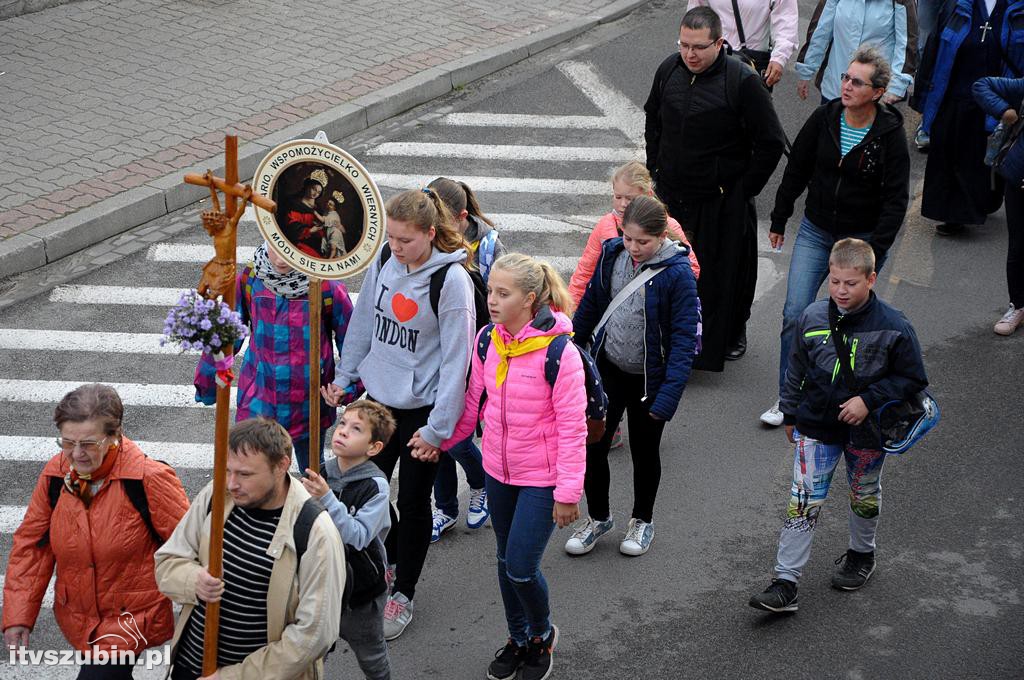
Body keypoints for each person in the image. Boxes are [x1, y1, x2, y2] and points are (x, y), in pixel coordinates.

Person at [322, 187, 476, 640]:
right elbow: (364, 325)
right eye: (391, 238)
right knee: (364, 488)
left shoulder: (451, 282)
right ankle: (388, 562)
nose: (396, 248)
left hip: (422, 413)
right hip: (377, 401)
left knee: (412, 501)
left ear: (431, 233)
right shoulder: (384, 263)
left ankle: (403, 592)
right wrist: (347, 379)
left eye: (405, 240)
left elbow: (456, 362)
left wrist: (438, 430)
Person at [428, 252, 587, 680]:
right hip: (499, 471)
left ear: (530, 299)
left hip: (543, 480)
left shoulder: (561, 354)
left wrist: (568, 493)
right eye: (490, 291)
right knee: (503, 562)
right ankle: (517, 640)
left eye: (503, 293)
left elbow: (574, 430)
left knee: (520, 566)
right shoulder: (488, 341)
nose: (492, 300)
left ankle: (541, 635)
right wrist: (439, 441)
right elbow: (471, 404)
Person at [749, 238, 928, 613]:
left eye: (850, 283)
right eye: (834, 281)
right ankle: (785, 583)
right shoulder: (812, 317)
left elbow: (913, 379)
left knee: (863, 493)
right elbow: (795, 368)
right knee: (802, 502)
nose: (840, 291)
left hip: (868, 433)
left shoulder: (895, 326)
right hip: (816, 425)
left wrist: (868, 400)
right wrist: (791, 412)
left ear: (872, 279)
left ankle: (861, 555)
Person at [760, 46, 911, 427]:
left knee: (849, 316)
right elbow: (797, 167)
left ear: (877, 92)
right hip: (816, 230)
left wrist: (874, 251)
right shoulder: (826, 117)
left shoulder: (890, 134)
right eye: (845, 78)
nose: (846, 86)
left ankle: (847, 392)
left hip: (862, 241)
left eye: (857, 82)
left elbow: (896, 199)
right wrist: (780, 216)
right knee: (795, 313)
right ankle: (787, 398)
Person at [3, 384, 189, 679]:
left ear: (114, 436)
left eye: (88, 443)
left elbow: (191, 547)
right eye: (67, 442)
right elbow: (33, 547)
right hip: (79, 616)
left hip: (131, 618)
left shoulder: (148, 479)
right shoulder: (56, 473)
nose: (76, 454)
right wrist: (18, 615)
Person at [644, 6, 785, 370]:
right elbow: (653, 119)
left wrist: (743, 189)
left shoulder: (742, 81)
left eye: (699, 47)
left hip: (720, 201)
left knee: (721, 275)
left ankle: (722, 338)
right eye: (684, 45)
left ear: (719, 43)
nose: (690, 54)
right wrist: (654, 169)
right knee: (671, 274)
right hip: (673, 197)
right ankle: (671, 344)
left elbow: (769, 142)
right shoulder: (667, 70)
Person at [155, 418, 345, 680]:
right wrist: (193, 580)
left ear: (281, 466)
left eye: (245, 474)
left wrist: (231, 677)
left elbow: (314, 635)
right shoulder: (217, 495)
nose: (232, 483)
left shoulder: (315, 531)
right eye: (227, 470)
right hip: (190, 666)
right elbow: (168, 560)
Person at [565, 195, 701, 557]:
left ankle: (642, 520)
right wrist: (568, 353)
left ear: (661, 236)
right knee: (593, 443)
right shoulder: (612, 254)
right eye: (628, 238)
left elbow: (684, 340)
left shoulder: (678, 274)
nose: (634, 247)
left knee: (644, 451)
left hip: (648, 379)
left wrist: (668, 396)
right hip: (607, 367)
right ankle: (598, 518)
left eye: (643, 241)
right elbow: (592, 305)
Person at [195, 242, 356, 473]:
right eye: (275, 248)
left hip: (308, 404)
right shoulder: (250, 278)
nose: (280, 259)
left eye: (289, 250)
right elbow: (228, 335)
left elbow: (351, 341)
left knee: (312, 472)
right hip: (259, 398)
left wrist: (346, 387)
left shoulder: (325, 285)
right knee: (253, 470)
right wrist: (207, 381)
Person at [424, 176, 505, 542]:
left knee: (454, 437)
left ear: (460, 216)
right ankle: (444, 509)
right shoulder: (427, 240)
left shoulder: (488, 247)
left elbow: (503, 298)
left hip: (475, 353)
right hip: (431, 352)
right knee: (433, 436)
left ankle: (480, 482)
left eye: (440, 222)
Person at [300, 401, 397, 680]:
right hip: (321, 585)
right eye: (342, 424)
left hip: (361, 591)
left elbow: (357, 537)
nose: (342, 431)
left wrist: (327, 498)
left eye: (356, 429)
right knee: (312, 655)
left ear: (373, 448)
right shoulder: (321, 471)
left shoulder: (375, 486)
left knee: (371, 656)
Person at [912, 0, 1024, 235]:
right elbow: (935, 47)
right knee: (948, 151)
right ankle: (953, 215)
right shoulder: (957, 4)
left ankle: (986, 198)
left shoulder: (1017, 8)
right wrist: (923, 95)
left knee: (984, 154)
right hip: (954, 92)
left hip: (994, 97)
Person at [568, 160, 701, 306]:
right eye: (618, 197)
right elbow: (585, 273)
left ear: (648, 194)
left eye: (630, 199)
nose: (623, 204)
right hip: (614, 310)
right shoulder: (606, 226)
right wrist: (569, 308)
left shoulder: (668, 225)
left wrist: (659, 294)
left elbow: (691, 268)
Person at [973, 75, 1024, 334]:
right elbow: (982, 85)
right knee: (1018, 246)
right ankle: (1018, 305)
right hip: (1020, 179)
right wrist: (1004, 111)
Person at [795, 0, 919, 104]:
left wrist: (896, 87)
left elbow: (906, 42)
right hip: (834, 89)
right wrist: (806, 70)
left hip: (873, 96)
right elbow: (820, 30)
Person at [686, 0, 800, 89]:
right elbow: (695, 17)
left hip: (752, 64)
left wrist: (779, 58)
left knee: (751, 114)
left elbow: (786, 21)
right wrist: (688, 50)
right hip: (716, 59)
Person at [281, 174, 329, 258]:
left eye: (318, 192)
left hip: (317, 242)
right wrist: (309, 231)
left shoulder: (318, 207)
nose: (315, 194)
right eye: (314, 189)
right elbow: (291, 224)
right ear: (307, 187)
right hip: (299, 242)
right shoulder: (295, 203)